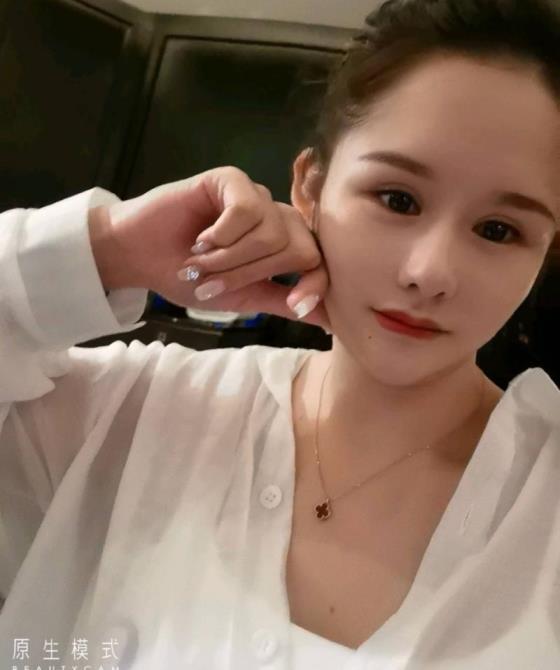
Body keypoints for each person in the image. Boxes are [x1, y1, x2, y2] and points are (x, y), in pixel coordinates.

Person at [1, 0, 560, 667]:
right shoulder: (130, 414)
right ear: (310, 188)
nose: (429, 273)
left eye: (499, 230)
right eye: (397, 199)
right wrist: (107, 250)